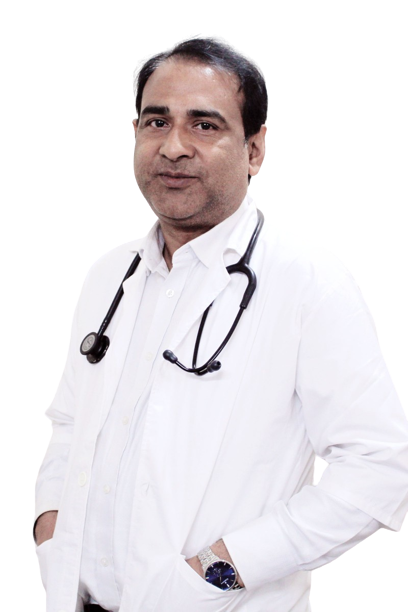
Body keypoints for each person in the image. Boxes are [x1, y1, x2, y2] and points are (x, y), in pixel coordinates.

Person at [33, 34, 408, 612]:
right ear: (134, 132)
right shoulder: (109, 276)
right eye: (157, 122)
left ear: (255, 150)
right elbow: (68, 425)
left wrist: (220, 572)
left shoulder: (308, 283)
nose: (173, 147)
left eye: (204, 125)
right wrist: (51, 533)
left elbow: (380, 467)